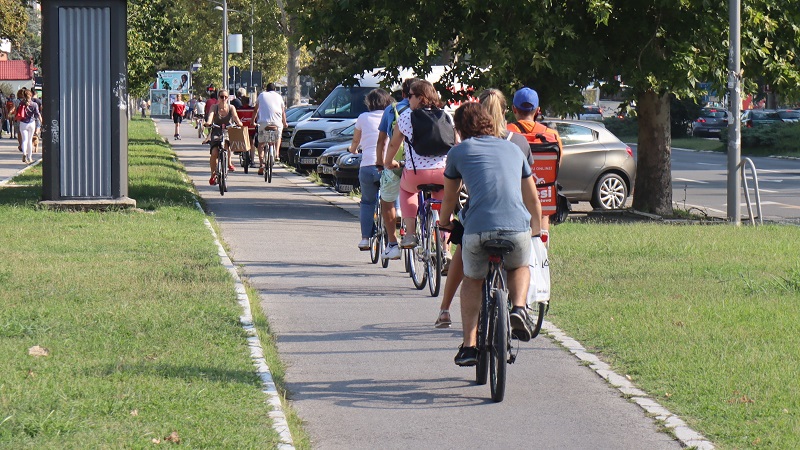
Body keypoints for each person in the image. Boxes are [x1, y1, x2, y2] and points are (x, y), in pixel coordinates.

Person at [438, 102, 542, 366]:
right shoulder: (513, 149)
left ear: (460, 129)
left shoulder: (459, 152)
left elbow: (449, 198)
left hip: (477, 229)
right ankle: (518, 308)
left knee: (473, 280)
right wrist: (537, 230)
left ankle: (469, 346)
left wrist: (445, 222)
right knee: (519, 266)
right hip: (516, 227)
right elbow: (533, 199)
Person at [383, 79, 455, 249]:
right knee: (445, 204)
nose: (408, 100)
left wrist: (388, 161)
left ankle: (410, 234)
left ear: (421, 97)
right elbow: (456, 142)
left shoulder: (407, 116)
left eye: (411, 96)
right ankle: (445, 249)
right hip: (443, 173)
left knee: (406, 190)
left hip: (416, 173)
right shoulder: (446, 115)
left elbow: (394, 144)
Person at [506, 87, 563, 245]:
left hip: (513, 194)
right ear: (538, 110)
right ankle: (541, 249)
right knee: (543, 213)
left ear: (513, 109)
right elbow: (557, 166)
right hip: (543, 194)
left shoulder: (506, 133)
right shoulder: (552, 135)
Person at [375, 78, 420, 260]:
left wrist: (381, 162)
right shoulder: (428, 111)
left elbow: (382, 140)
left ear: (403, 94)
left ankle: (392, 243)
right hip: (422, 164)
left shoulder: (391, 110)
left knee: (387, 200)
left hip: (396, 164)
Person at [349, 88, 394, 250]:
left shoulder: (363, 117)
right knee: (391, 200)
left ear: (369, 103)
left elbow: (356, 140)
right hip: (388, 165)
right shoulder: (391, 116)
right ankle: (393, 238)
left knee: (367, 202)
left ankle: (365, 239)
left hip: (368, 165)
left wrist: (352, 149)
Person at [204, 89, 241, 185]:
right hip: (216, 131)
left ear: (228, 98)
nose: (224, 98)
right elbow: (210, 116)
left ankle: (228, 163)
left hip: (227, 131)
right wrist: (208, 123)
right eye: (221, 97)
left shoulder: (231, 107)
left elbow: (235, 117)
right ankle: (213, 175)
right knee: (214, 153)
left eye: (225, 97)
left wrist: (239, 123)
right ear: (218, 98)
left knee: (226, 146)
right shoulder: (214, 107)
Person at [253, 83, 287, 176]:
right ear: (275, 89)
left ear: (266, 89)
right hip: (277, 123)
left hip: (264, 123)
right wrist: (285, 123)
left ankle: (261, 164)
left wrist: (252, 121)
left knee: (261, 144)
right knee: (278, 136)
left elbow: (256, 110)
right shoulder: (279, 97)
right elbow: (283, 111)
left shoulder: (262, 95)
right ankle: (276, 154)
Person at [17, 88, 42, 164]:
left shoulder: (21, 103)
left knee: (24, 140)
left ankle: (24, 153)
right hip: (31, 123)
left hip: (23, 123)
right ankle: (29, 157)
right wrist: (41, 122)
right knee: (30, 140)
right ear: (31, 95)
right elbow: (38, 114)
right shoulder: (34, 104)